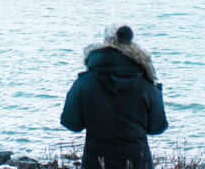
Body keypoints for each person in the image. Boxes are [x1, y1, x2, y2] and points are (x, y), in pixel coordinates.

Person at [60, 24, 168, 169]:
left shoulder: (84, 83)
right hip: (138, 163)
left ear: (105, 44)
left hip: (96, 163)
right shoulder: (146, 84)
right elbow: (157, 127)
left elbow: (71, 123)